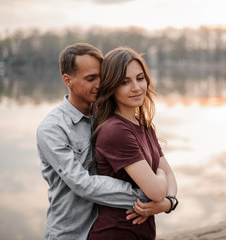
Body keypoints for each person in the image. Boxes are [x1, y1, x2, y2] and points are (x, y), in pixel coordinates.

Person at [36, 43, 154, 239]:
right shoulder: (52, 129)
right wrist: (146, 196)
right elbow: (82, 183)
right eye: (91, 78)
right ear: (68, 80)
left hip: (110, 229)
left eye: (102, 76)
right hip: (71, 234)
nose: (100, 84)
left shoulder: (109, 117)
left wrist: (166, 198)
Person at [88, 47, 178, 240]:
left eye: (140, 78)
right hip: (115, 233)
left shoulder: (144, 125)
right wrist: (160, 178)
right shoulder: (115, 130)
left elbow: (170, 176)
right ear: (111, 87)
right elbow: (156, 189)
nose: (136, 87)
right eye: (124, 82)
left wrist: (168, 203)